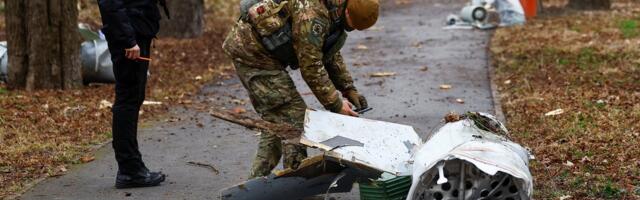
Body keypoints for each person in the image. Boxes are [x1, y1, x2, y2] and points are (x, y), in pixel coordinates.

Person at [223, 0, 379, 178]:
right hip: (252, 55)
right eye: (352, 26)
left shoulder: (335, 9)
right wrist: (336, 104)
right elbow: (311, 65)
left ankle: (256, 184)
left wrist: (348, 88)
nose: (350, 29)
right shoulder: (312, 14)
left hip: (264, 55)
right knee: (295, 116)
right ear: (348, 13)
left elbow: (328, 50)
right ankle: (296, 182)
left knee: (278, 121)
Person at [97, 0, 169, 188]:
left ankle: (132, 167)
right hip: (129, 38)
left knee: (134, 97)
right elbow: (110, 5)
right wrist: (128, 40)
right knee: (128, 99)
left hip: (137, 31)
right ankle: (130, 170)